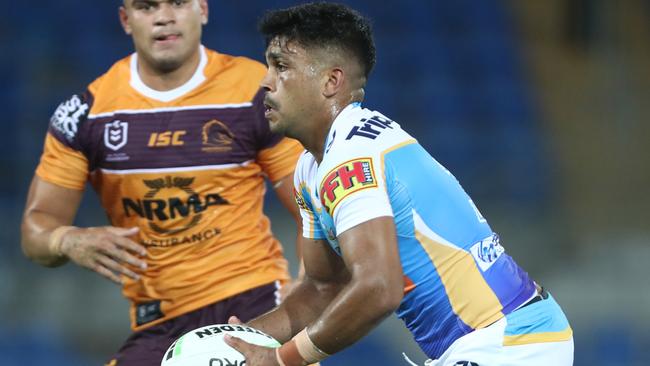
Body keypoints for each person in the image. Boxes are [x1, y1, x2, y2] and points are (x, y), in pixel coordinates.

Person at [223, 3, 574, 366]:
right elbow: (321, 287)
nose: (265, 81)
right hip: (505, 339)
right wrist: (233, 343)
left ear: (331, 81)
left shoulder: (351, 158)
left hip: (510, 342)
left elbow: (379, 288)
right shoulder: (312, 167)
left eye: (281, 66)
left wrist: (282, 359)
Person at [20, 1, 304, 365]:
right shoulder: (88, 114)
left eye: (178, 3)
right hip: (159, 322)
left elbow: (309, 203)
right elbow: (36, 228)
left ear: (202, 9)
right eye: (146, 6)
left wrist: (306, 285)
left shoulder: (256, 91)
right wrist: (66, 239)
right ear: (126, 19)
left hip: (255, 300)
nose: (164, 16)